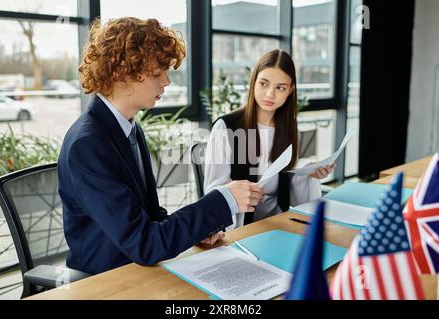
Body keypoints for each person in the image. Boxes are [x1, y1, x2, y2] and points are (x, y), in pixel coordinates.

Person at [58, 17, 262, 275]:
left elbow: (151, 216)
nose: (166, 81)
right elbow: (145, 243)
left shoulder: (129, 127)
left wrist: (195, 232)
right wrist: (225, 199)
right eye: (157, 73)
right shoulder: (87, 145)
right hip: (106, 281)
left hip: (139, 270)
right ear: (122, 75)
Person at [204, 49, 335, 229]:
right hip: (239, 226)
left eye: (280, 87)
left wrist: (307, 174)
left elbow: (285, 182)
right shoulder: (225, 127)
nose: (270, 94)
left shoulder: (289, 128)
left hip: (277, 222)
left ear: (290, 90)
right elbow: (215, 190)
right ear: (253, 82)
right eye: (264, 84)